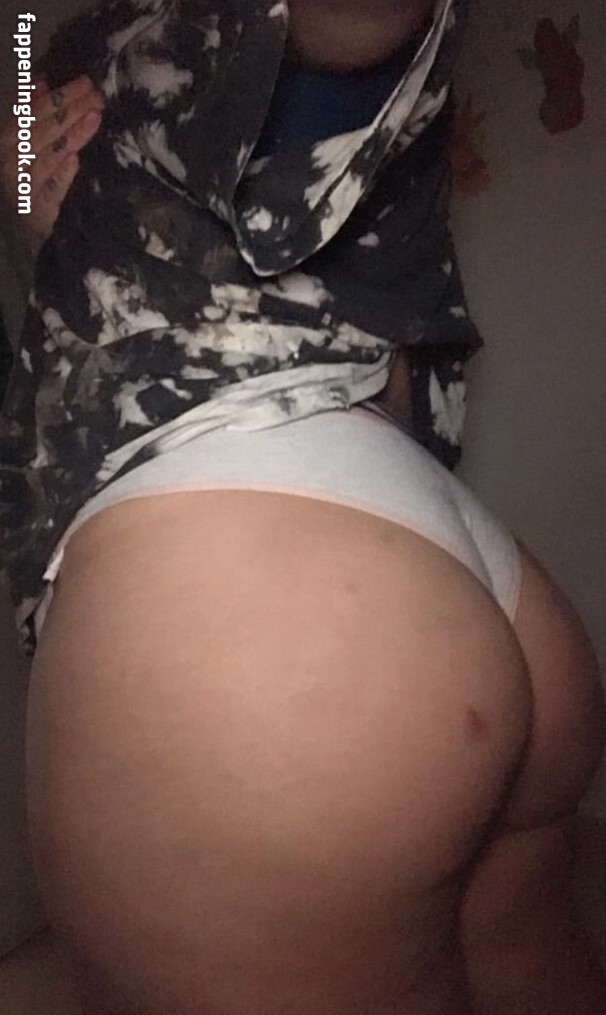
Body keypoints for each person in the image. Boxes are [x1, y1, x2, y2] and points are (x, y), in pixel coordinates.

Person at [0, 1, 604, 1012]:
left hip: (259, 605)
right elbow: (37, 111)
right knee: (527, 951)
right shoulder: (82, 53)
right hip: (423, 539)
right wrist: (26, 167)